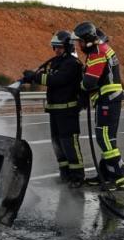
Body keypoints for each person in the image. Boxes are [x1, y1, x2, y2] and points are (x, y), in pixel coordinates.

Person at [22, 31, 85, 186]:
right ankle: (65, 175)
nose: (56, 50)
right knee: (57, 144)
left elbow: (57, 80)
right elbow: (47, 75)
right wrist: (30, 77)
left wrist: (35, 77)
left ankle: (77, 176)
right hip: (55, 110)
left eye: (59, 47)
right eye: (55, 47)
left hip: (68, 111)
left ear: (67, 47)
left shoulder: (72, 64)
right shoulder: (56, 62)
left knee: (69, 144)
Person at [74, 21, 124, 191]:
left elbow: (89, 82)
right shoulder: (102, 49)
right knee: (107, 139)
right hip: (109, 99)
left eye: (81, 41)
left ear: (88, 40)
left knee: (104, 138)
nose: (79, 45)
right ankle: (105, 174)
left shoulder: (97, 53)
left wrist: (80, 89)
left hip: (107, 100)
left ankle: (118, 178)